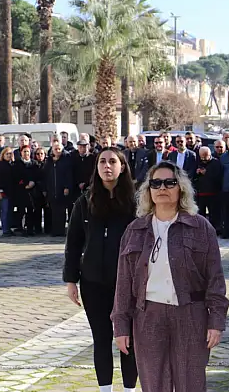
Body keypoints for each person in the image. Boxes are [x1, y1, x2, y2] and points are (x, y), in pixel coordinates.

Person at [111, 161, 229, 392]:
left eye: (169, 182)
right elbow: (123, 283)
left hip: (190, 315)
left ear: (181, 188)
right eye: (156, 183)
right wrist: (121, 326)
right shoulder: (135, 230)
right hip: (148, 317)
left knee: (191, 384)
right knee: (154, 384)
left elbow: (215, 279)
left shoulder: (200, 227)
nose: (162, 188)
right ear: (148, 191)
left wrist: (216, 321)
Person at [65, 147, 138, 392]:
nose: (107, 166)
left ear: (122, 167)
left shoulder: (136, 202)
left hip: (128, 282)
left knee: (128, 339)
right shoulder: (85, 202)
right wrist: (71, 280)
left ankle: (129, 388)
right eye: (102, 162)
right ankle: (105, 388)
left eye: (112, 162)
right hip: (93, 281)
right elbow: (74, 242)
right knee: (101, 339)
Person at [44, 142, 73, 236]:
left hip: (62, 188)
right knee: (53, 210)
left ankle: (61, 230)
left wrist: (67, 187)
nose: (57, 151)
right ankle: (54, 230)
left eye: (59, 149)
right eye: (55, 149)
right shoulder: (49, 161)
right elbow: (45, 175)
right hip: (52, 189)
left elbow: (69, 175)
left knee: (61, 211)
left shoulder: (66, 160)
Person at [13, 145, 38, 236]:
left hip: (32, 191)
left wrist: (33, 182)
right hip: (21, 191)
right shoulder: (17, 164)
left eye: (28, 151)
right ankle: (21, 228)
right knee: (21, 210)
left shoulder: (34, 163)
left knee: (31, 210)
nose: (26, 153)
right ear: (21, 153)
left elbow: (37, 175)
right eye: (24, 152)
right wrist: (25, 184)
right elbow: (16, 177)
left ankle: (30, 228)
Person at [0, 147, 15, 236]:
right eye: (7, 154)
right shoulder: (0, 166)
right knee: (5, 211)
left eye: (10, 154)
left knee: (10, 211)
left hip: (11, 191)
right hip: (3, 192)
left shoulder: (12, 165)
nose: (8, 155)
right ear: (3, 155)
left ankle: (8, 228)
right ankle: (5, 229)